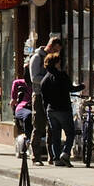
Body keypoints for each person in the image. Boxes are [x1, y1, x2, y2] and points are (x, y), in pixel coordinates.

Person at [40, 51, 83, 167]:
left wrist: (46, 111)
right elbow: (71, 89)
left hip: (51, 110)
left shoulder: (44, 80)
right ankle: (65, 153)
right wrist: (82, 86)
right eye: (59, 61)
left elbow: (44, 99)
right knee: (70, 133)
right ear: (56, 63)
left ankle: (56, 158)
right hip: (63, 109)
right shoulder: (62, 75)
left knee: (55, 135)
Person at [30, 36, 61, 164]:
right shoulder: (37, 57)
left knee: (52, 127)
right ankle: (35, 157)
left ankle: (52, 156)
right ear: (50, 46)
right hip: (39, 95)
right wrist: (50, 78)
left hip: (51, 96)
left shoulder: (53, 59)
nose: (57, 53)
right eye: (56, 49)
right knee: (38, 126)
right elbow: (34, 78)